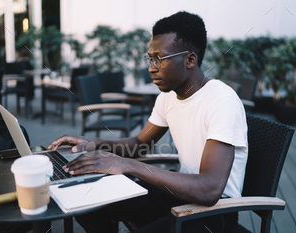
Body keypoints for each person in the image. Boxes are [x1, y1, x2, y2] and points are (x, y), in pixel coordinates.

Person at [49, 11, 248, 233]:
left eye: (159, 59)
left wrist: (128, 165)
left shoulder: (222, 100)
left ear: (190, 60)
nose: (151, 68)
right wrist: (92, 142)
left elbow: (210, 189)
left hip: (214, 214)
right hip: (178, 195)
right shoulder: (167, 97)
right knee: (89, 205)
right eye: (150, 58)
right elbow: (138, 142)